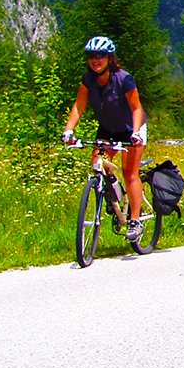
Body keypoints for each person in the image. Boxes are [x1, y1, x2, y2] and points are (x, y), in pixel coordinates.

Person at [62, 36, 149, 242]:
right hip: (108, 129)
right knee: (97, 164)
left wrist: (136, 133)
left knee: (130, 173)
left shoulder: (123, 79)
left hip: (131, 129)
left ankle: (135, 221)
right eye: (91, 56)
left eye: (100, 55)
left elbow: (137, 108)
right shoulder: (88, 80)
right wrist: (68, 130)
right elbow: (79, 106)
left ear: (110, 58)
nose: (95, 60)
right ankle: (111, 191)